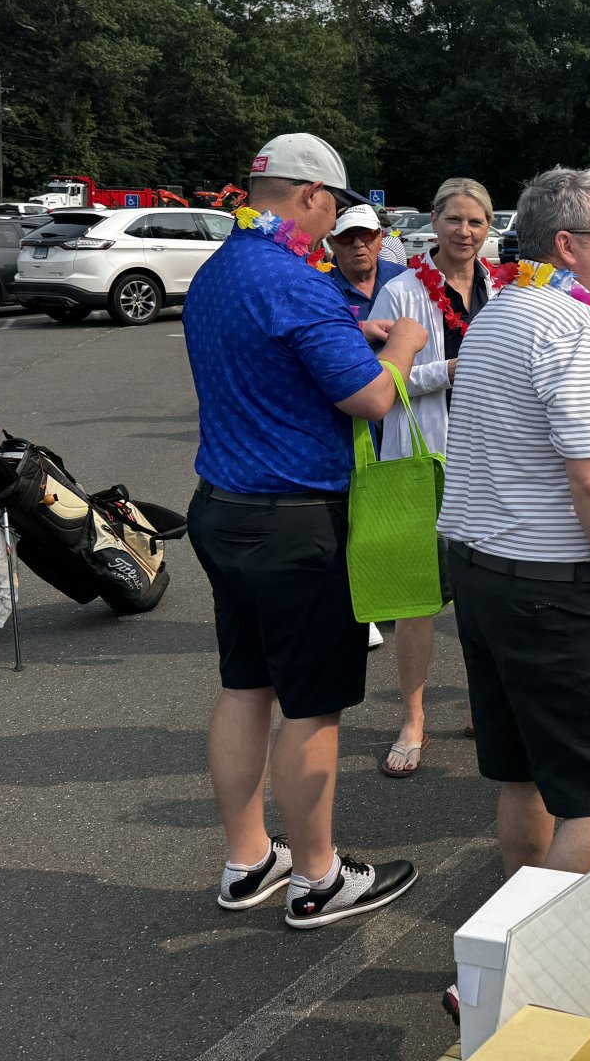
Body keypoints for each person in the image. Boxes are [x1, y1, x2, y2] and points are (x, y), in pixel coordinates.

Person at [182, 132, 429, 929]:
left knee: (244, 686)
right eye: (335, 208)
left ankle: (248, 858)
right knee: (313, 706)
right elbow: (370, 399)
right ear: (314, 196)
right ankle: (319, 877)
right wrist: (408, 344)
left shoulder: (222, 269)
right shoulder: (297, 280)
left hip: (223, 505)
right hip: (295, 520)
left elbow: (279, 353)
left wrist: (342, 335)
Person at [438, 166, 590, 879]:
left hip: (486, 576)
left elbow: (533, 443)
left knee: (527, 774)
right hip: (558, 592)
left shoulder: (499, 314)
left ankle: (507, 942)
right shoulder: (575, 328)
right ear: (567, 246)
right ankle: (521, 967)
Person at [367, 178, 499, 779]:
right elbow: (377, 381)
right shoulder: (399, 290)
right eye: (454, 221)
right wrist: (444, 370)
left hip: (486, 458)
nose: (464, 233)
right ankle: (414, 718)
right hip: (419, 457)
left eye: (475, 223)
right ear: (435, 222)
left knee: (483, 591)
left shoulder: (503, 287)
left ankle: (481, 703)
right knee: (418, 597)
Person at [325, 204, 406, 323]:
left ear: (381, 238)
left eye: (367, 234)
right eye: (346, 237)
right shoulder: (319, 287)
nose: (358, 244)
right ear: (332, 243)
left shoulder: (403, 278)